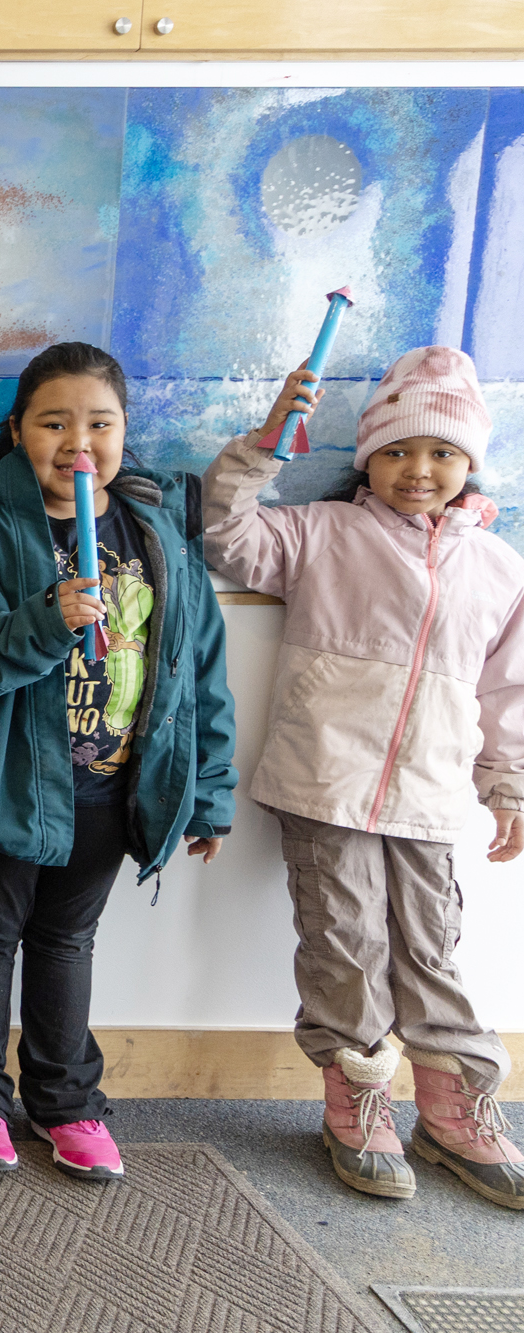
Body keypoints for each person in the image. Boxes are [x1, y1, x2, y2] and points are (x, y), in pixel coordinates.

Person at [202, 346, 524, 1209]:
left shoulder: (498, 568)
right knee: (345, 945)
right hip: (323, 782)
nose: (419, 471)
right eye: (397, 452)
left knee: (431, 947)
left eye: (443, 454)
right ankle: (359, 1100)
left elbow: (508, 686)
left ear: (469, 465)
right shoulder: (322, 533)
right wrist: (264, 444)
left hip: (429, 794)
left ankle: (456, 1110)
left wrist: (509, 782)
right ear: (367, 458)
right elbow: (228, 534)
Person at [0, 341, 235, 1182]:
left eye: (99, 423)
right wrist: (45, 618)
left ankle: (64, 1099)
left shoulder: (156, 534)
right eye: (54, 422)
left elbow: (197, 668)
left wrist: (205, 791)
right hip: (5, 780)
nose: (77, 441)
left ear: (126, 431)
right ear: (19, 428)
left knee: (67, 940)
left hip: (110, 784)